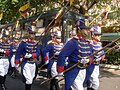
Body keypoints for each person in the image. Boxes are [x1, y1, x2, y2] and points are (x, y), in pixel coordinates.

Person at [57, 17, 93, 90]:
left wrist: (89, 60)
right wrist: (60, 70)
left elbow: (92, 55)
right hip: (73, 71)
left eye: (88, 29)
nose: (88, 31)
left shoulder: (88, 43)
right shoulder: (73, 42)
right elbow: (62, 55)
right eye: (85, 29)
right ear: (79, 30)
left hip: (83, 71)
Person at [15, 22, 41, 90]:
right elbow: (18, 53)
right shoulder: (24, 43)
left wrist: (33, 55)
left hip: (33, 63)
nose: (33, 35)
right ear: (29, 34)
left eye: (34, 34)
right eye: (31, 33)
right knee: (29, 80)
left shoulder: (36, 43)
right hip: (26, 63)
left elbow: (38, 52)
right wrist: (17, 62)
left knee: (31, 79)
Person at [86, 26, 105, 90]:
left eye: (99, 35)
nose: (99, 36)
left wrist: (102, 57)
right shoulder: (90, 44)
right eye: (97, 35)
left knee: (91, 84)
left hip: (97, 65)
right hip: (91, 66)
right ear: (93, 35)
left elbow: (102, 53)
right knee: (95, 84)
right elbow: (87, 54)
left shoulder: (99, 44)